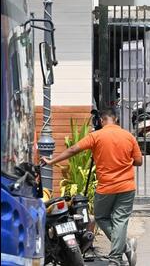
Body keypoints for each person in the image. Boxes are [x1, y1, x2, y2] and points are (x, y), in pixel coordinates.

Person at [41, 108, 140, 266]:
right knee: (120, 221)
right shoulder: (129, 136)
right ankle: (123, 247)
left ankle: (116, 257)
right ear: (116, 120)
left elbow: (73, 149)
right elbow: (138, 161)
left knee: (101, 217)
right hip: (127, 186)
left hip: (106, 187)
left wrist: (52, 161)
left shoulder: (96, 136)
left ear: (101, 120)